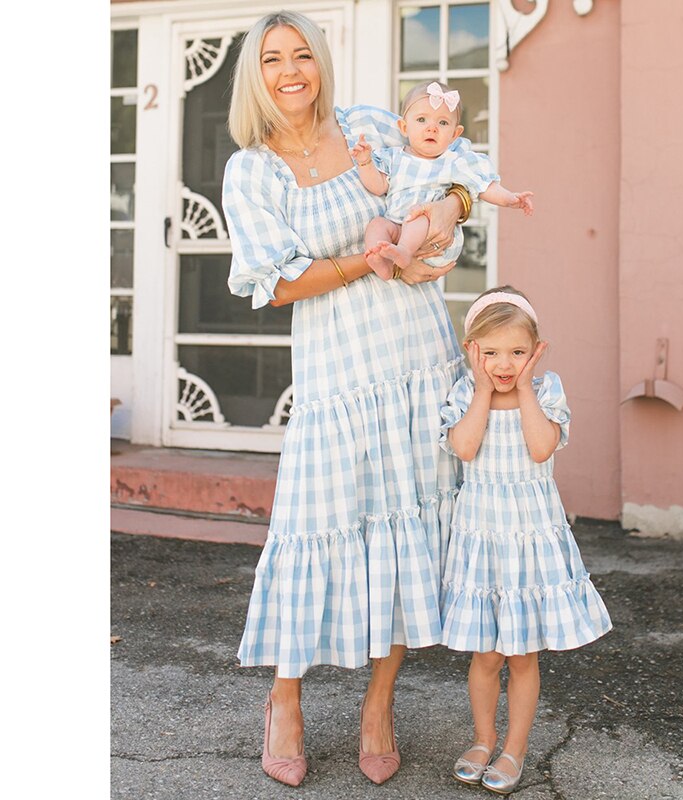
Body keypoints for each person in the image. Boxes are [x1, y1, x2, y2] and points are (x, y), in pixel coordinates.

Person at [222, 10, 472, 788]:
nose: (290, 70)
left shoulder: (370, 125)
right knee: (314, 530)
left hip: (417, 363)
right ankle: (286, 701)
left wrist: (442, 216)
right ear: (255, 76)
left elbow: (452, 180)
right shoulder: (252, 171)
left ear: (322, 62)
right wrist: (373, 257)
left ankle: (378, 705)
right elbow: (279, 283)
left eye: (303, 54)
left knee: (406, 530)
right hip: (337, 379)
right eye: (273, 59)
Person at [438, 286, 612, 794]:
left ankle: (514, 748)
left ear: (536, 350)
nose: (503, 363)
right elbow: (465, 447)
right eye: (489, 352)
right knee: (486, 654)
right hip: (483, 536)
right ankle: (482, 738)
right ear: (472, 350)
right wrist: (483, 391)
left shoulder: (547, 389)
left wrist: (528, 388)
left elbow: (541, 448)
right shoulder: (467, 391)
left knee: (522, 654)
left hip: (530, 535)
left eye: (517, 351)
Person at [349, 81, 534, 280]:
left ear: (455, 135)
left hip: (432, 233)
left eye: (443, 123)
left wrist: (511, 199)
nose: (432, 128)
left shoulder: (452, 162)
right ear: (404, 127)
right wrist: (365, 162)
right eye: (421, 120)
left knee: (420, 216)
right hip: (396, 225)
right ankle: (381, 262)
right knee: (377, 224)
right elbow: (377, 186)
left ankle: (403, 251)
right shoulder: (394, 158)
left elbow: (485, 186)